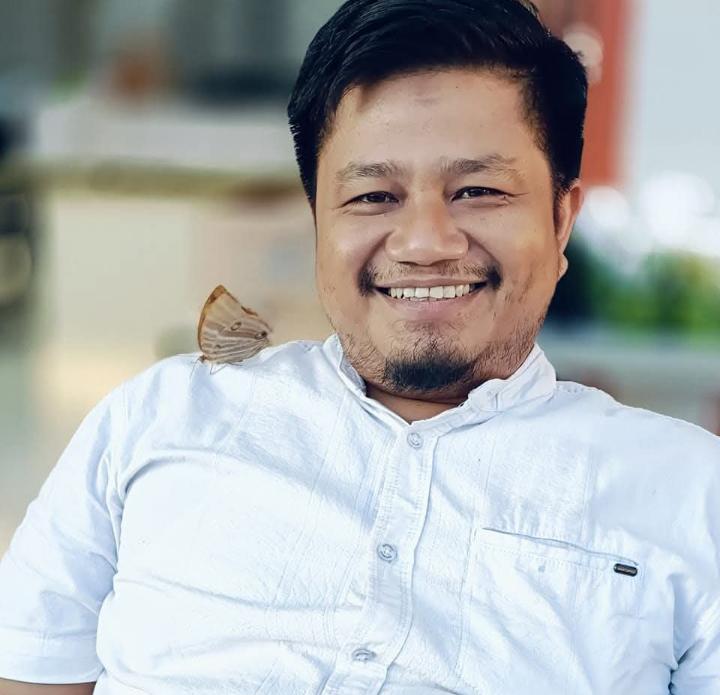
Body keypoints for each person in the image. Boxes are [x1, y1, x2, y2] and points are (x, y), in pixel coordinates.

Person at [1, 0, 719, 693]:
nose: (425, 243)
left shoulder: (688, 491)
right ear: (318, 220)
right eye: (374, 197)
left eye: (477, 190)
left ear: (562, 220)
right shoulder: (159, 418)